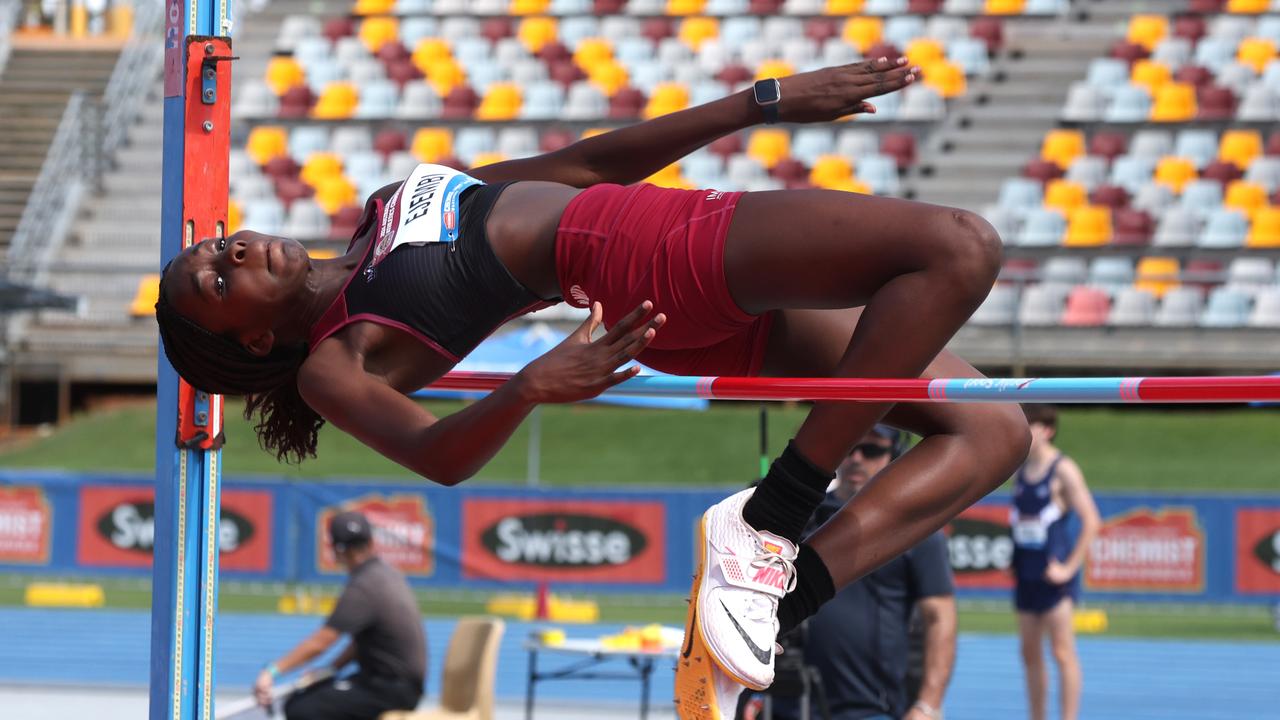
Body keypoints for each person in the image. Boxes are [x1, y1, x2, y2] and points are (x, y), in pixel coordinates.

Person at [155, 59, 1031, 720]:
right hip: (644, 259)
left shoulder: (387, 204)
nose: (233, 255)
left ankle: (773, 596)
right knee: (958, 247)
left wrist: (761, 103)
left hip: (651, 252)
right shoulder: (332, 361)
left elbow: (585, 163)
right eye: (221, 284)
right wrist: (530, 386)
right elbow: (436, 455)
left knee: (995, 434)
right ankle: (774, 517)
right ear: (255, 337)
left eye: (220, 247)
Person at [759, 426, 957, 720]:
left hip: (873, 708)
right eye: (849, 447)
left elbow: (939, 616)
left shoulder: (917, 527)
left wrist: (927, 705)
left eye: (872, 449)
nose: (857, 458)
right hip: (786, 702)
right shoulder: (799, 520)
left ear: (894, 453)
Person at [254, 511, 426, 719]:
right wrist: (330, 669)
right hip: (397, 684)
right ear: (371, 542)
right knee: (311, 695)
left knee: (301, 709)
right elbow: (363, 643)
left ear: (336, 551)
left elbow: (322, 641)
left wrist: (271, 672)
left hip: (390, 688)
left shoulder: (364, 586)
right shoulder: (387, 574)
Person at [1011, 405, 1100, 720]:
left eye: (1030, 426)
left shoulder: (1063, 469)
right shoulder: (1020, 469)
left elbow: (1091, 520)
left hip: (1054, 577)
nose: (1024, 432)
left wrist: (1069, 567)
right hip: (1026, 573)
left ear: (1047, 429)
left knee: (1062, 651)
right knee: (1029, 653)